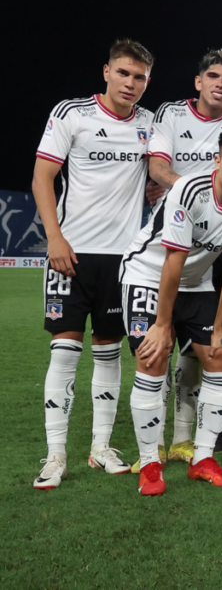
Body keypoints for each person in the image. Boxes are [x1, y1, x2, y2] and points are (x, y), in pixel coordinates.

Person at [120, 126, 222, 495]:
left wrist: (221, 325)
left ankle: (202, 458)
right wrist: (162, 324)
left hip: (198, 282)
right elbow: (174, 259)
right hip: (148, 275)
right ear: (217, 160)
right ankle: (151, 466)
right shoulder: (190, 188)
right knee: (153, 356)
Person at [32, 39, 155, 489]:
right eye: (124, 73)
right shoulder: (73, 114)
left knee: (108, 352)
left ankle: (100, 447)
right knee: (64, 353)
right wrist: (54, 238)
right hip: (73, 253)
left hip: (123, 261)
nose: (131, 83)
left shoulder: (148, 124)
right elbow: (42, 175)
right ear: (106, 71)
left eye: (140, 77)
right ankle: (55, 454)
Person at [146, 49, 222, 467]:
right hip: (174, 238)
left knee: (214, 342)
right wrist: (201, 196)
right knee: (157, 346)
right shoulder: (170, 114)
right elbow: (158, 166)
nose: (219, 83)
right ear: (198, 81)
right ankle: (153, 445)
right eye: (212, 76)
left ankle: (196, 431)